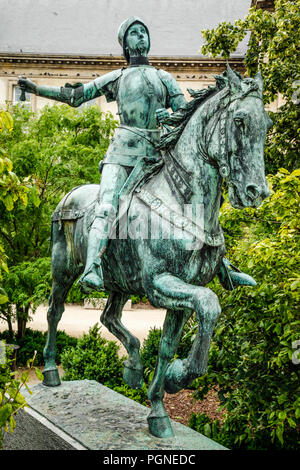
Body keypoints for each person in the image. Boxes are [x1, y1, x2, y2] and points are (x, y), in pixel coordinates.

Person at [18, 16, 256, 292]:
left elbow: (183, 115)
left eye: (144, 32)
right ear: (125, 44)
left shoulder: (163, 78)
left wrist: (168, 116)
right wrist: (36, 89)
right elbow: (77, 96)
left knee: (200, 200)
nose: (141, 36)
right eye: (134, 33)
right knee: (106, 206)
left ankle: (222, 265)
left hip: (158, 156)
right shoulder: (118, 77)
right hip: (122, 154)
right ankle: (92, 267)